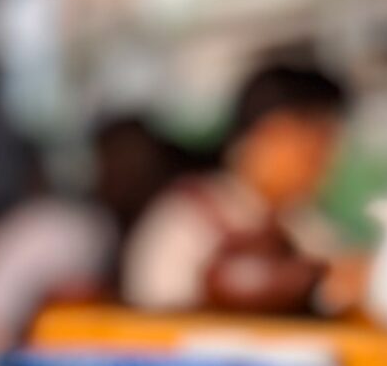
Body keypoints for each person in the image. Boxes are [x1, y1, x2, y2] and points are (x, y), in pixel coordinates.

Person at [123, 64, 356, 314]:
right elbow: (155, 327)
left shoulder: (311, 228)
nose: (326, 161)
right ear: (263, 135)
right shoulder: (185, 220)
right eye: (312, 145)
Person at [0, 117, 187, 357]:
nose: (126, 173)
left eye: (138, 163)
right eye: (116, 160)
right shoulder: (76, 229)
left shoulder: (148, 226)